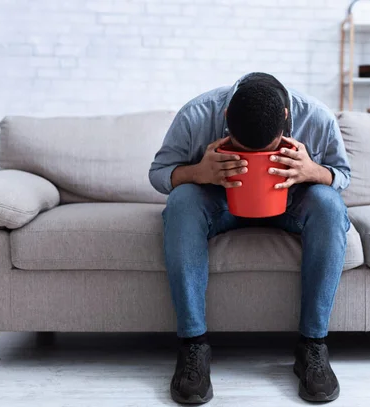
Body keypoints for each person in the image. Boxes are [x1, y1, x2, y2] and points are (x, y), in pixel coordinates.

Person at [149, 72, 351, 404]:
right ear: (227, 118)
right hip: (220, 204)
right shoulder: (198, 114)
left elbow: (342, 175)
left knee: (329, 205)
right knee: (182, 201)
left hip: (290, 204)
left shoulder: (316, 117)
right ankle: (193, 348)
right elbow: (158, 173)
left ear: (286, 119)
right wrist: (198, 172)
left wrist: (313, 171)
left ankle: (313, 348)